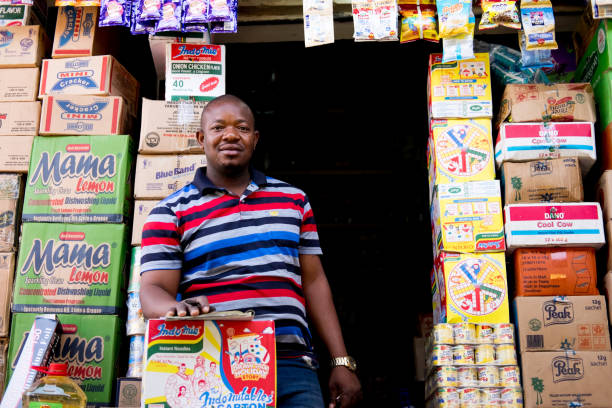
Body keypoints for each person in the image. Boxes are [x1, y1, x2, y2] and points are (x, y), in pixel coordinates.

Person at [140, 94, 362, 408]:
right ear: (201, 138)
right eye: (218, 128)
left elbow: (314, 282)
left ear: (255, 139)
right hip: (210, 366)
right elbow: (152, 290)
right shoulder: (170, 212)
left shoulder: (293, 200)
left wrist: (341, 360)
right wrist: (173, 309)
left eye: (241, 128)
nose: (230, 135)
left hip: (291, 365)